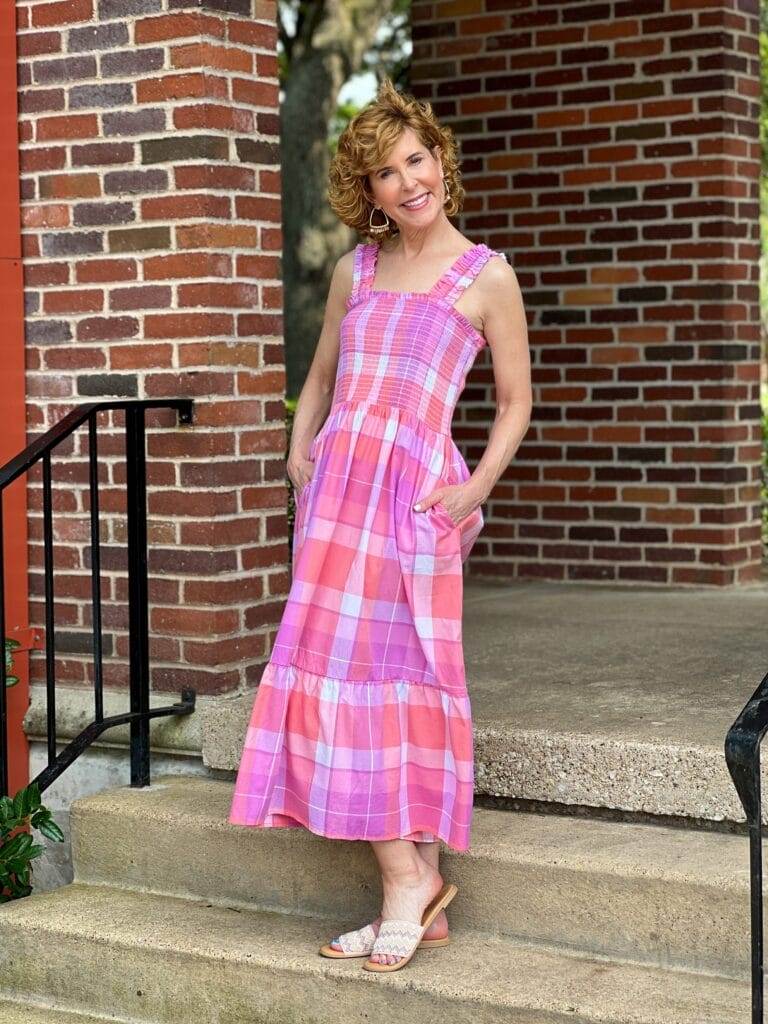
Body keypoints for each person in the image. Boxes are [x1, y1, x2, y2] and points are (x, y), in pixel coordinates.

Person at [228, 76, 531, 972]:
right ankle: (420, 896)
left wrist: (473, 489)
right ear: (369, 192)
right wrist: (297, 448)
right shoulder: (354, 270)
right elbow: (318, 378)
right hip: (337, 504)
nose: (408, 182)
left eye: (416, 159)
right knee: (337, 674)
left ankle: (405, 881)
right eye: (387, 173)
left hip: (415, 503)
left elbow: (515, 404)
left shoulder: (487, 275)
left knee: (399, 680)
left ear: (439, 159)